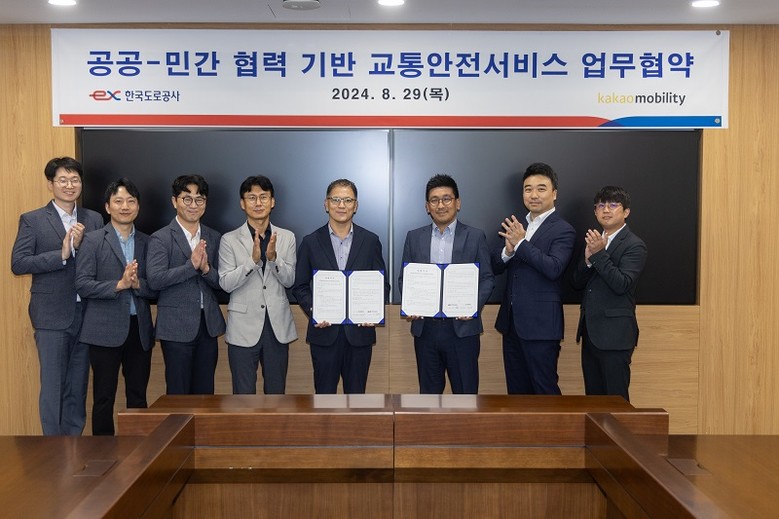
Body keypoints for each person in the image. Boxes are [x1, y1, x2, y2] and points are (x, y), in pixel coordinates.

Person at [11, 157, 103, 435]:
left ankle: (73, 446)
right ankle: (51, 450)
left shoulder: (94, 219)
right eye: (63, 180)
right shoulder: (33, 220)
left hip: (87, 315)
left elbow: (99, 261)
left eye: (75, 180)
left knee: (77, 387)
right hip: (51, 315)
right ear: (50, 184)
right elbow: (19, 263)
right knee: (52, 388)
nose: (69, 185)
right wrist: (62, 254)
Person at [398, 174, 494, 394]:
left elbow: (487, 278)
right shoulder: (414, 237)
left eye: (447, 199)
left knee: (466, 395)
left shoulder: (475, 236)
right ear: (427, 206)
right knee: (429, 396)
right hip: (426, 330)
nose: (440, 205)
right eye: (434, 200)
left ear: (457, 203)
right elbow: (405, 278)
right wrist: (411, 304)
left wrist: (473, 306)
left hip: (462, 330)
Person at [75, 178, 156, 435]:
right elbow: (83, 284)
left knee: (138, 397)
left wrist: (137, 284)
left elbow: (156, 286)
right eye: (118, 201)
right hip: (103, 330)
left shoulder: (148, 242)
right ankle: (103, 453)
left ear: (138, 206)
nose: (125, 207)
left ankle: (138, 450)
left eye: (131, 201)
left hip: (139, 330)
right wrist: (119, 285)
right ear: (108, 207)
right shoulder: (92, 240)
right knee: (103, 398)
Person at [292, 179, 389, 394]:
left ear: (356, 205)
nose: (341, 205)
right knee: (324, 398)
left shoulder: (370, 240)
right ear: (326, 204)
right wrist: (315, 311)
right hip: (324, 335)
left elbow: (382, 284)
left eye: (347, 200)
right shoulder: (310, 241)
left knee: (356, 398)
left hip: (359, 334)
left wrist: (372, 311)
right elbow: (300, 286)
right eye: (336, 200)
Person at [493, 162, 576, 395]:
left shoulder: (563, 230)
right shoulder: (517, 226)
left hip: (541, 327)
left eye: (541, 188)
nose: (534, 195)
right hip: (512, 325)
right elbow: (495, 266)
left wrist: (521, 243)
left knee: (545, 391)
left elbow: (554, 268)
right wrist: (508, 251)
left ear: (554, 193)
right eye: (528, 189)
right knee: (516, 394)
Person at [147, 174, 225, 395]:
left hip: (208, 326)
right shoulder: (160, 238)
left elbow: (222, 282)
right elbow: (155, 279)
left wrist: (206, 270)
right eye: (187, 199)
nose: (193, 205)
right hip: (176, 327)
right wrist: (190, 266)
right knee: (178, 394)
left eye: (199, 199)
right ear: (175, 201)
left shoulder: (214, 237)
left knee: (205, 394)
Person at [218, 176, 297, 394]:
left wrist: (273, 259)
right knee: (243, 397)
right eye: (252, 198)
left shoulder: (287, 237)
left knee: (276, 395)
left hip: (276, 327)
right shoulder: (229, 240)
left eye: (263, 197)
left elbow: (290, 280)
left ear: (273, 202)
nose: (258, 203)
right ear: (242, 203)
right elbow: (225, 283)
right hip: (242, 328)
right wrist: (252, 262)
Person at [571, 186, 648, 402]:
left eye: (613, 205)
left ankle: (619, 428)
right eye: (601, 205)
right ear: (595, 211)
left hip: (615, 337)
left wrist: (598, 255)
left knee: (616, 401)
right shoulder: (594, 241)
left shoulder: (634, 245)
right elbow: (576, 283)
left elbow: (621, 284)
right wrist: (587, 260)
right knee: (593, 401)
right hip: (591, 334)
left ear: (626, 212)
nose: (606, 210)